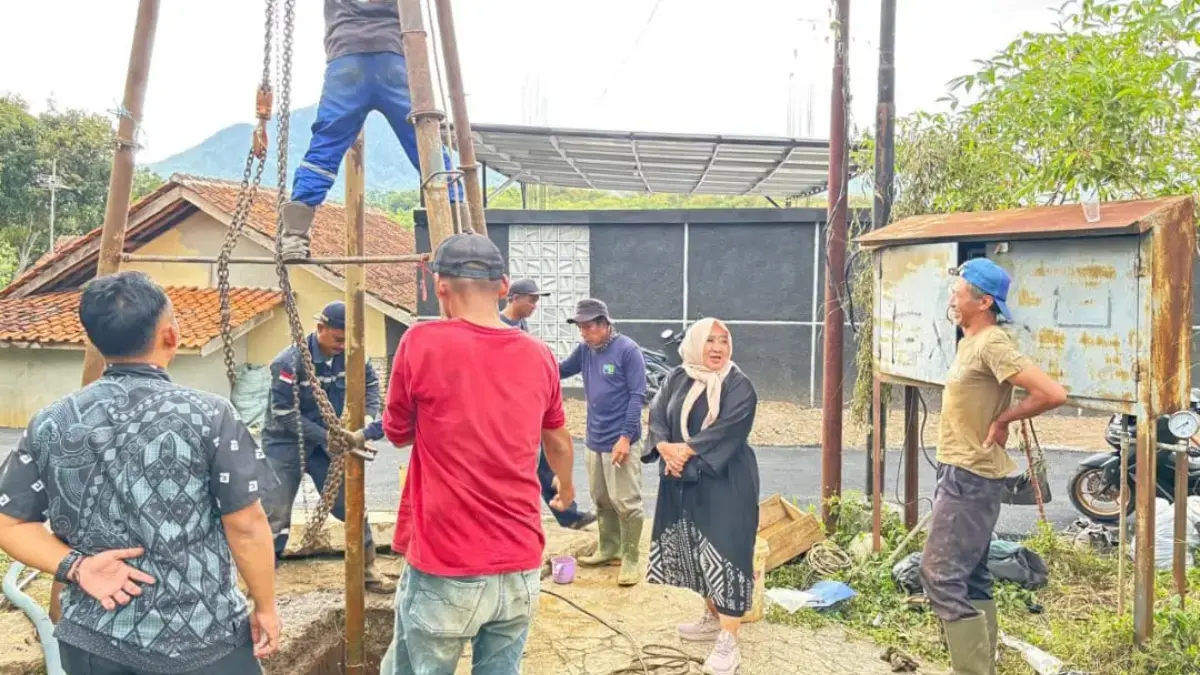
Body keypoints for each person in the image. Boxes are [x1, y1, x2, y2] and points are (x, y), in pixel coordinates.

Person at [0, 271, 281, 673]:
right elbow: (247, 526)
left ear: (91, 342)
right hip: (205, 641)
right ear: (171, 336)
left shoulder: (51, 422)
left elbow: (8, 521)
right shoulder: (210, 415)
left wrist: (75, 567)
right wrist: (265, 606)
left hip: (95, 641)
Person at [381, 234, 576, 675]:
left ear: (439, 287)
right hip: (521, 565)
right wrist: (565, 489)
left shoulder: (420, 343)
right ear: (504, 286)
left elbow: (397, 433)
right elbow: (559, 441)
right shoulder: (539, 355)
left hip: (448, 562)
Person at [920, 258, 1066, 675]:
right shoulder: (970, 341)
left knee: (940, 576)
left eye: (960, 291)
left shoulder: (992, 343)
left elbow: (1052, 393)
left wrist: (1004, 420)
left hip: (971, 474)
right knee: (971, 574)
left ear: (984, 301)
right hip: (961, 468)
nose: (952, 295)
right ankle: (982, 665)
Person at [280, 0, 460, 260]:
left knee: (325, 146)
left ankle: (294, 237)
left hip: (346, 57)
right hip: (393, 56)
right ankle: (459, 225)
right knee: (424, 140)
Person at [643, 318, 759, 675]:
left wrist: (685, 452)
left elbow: (729, 429)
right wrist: (664, 447)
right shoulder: (678, 376)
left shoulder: (739, 385)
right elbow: (658, 415)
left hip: (726, 479)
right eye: (709, 340)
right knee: (696, 549)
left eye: (724, 341)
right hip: (684, 479)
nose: (717, 348)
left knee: (727, 551)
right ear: (694, 344)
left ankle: (729, 641)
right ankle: (712, 618)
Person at [260, 300, 395, 593]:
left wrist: (367, 419)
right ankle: (263, 578)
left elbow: (372, 385)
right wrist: (327, 437)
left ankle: (368, 570)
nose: (341, 346)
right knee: (276, 510)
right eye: (337, 339)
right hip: (285, 442)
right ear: (319, 329)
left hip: (329, 443)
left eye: (347, 340)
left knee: (352, 505)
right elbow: (284, 414)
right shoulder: (288, 362)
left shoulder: (354, 356)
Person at [559, 298, 647, 586]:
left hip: (621, 440)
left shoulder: (627, 351)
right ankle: (609, 548)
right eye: (580, 327)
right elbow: (559, 370)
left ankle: (631, 558)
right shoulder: (585, 351)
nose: (583, 333)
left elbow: (637, 396)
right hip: (594, 439)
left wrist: (625, 437)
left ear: (605, 324)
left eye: (588, 327)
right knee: (601, 497)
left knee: (626, 500)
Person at [502, 278, 596, 531]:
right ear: (514, 298)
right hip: (507, 413)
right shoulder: (499, 327)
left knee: (546, 462)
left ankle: (570, 515)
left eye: (537, 300)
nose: (535, 305)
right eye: (531, 299)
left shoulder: (520, 325)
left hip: (528, 408)